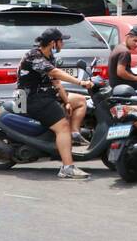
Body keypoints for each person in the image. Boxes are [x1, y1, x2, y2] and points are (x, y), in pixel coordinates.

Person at [17, 28, 91, 179]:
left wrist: (66, 101)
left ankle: (74, 134)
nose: (63, 44)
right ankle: (67, 168)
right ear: (53, 43)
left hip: (46, 94)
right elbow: (55, 73)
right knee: (62, 126)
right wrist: (80, 82)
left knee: (80, 101)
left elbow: (56, 82)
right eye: (61, 41)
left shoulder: (50, 56)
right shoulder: (33, 56)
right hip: (29, 98)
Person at [108, 25, 137, 91]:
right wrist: (136, 78)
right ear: (128, 37)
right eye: (135, 40)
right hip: (122, 84)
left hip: (115, 83)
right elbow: (121, 72)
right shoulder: (125, 52)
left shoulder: (119, 47)